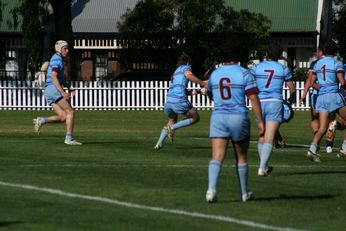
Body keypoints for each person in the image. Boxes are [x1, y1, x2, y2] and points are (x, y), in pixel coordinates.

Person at [205, 47, 264, 203]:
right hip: (238, 116)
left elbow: (210, 93)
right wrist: (260, 121)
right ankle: (244, 193)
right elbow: (253, 97)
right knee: (241, 155)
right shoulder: (244, 73)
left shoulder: (215, 74)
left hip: (218, 116)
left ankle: (211, 190)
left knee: (217, 155)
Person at [250, 44, 296, 176]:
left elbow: (249, 83)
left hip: (259, 103)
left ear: (266, 54)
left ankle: (263, 166)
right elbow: (292, 89)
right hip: (275, 102)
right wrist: (290, 99)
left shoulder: (256, 67)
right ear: (280, 55)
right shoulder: (283, 68)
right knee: (269, 137)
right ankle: (262, 167)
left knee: (262, 135)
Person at [303, 40, 346, 162]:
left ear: (324, 51)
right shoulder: (337, 63)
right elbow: (342, 82)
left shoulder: (317, 64)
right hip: (333, 96)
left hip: (320, 98)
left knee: (322, 128)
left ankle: (312, 149)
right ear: (335, 51)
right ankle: (344, 149)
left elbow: (311, 82)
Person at [33, 40, 82, 145]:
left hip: (48, 91)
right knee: (71, 112)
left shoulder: (56, 58)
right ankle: (69, 139)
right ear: (59, 49)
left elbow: (60, 78)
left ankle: (42, 120)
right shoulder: (57, 59)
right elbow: (54, 76)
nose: (67, 51)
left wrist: (69, 87)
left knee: (63, 116)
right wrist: (63, 92)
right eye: (65, 48)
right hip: (54, 89)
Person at [154, 53, 207, 149]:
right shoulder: (186, 68)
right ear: (188, 62)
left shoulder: (175, 72)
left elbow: (180, 89)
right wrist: (202, 83)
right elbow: (189, 76)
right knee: (195, 117)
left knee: (172, 120)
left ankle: (159, 143)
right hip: (179, 100)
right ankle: (172, 128)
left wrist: (198, 91)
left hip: (169, 101)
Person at [302, 47, 336, 154]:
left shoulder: (316, 63)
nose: (315, 53)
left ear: (322, 52)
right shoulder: (335, 62)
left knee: (315, 119)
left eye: (317, 51)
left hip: (318, 95)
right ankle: (329, 145)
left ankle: (316, 140)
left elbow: (310, 81)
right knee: (331, 120)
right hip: (330, 94)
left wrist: (304, 94)